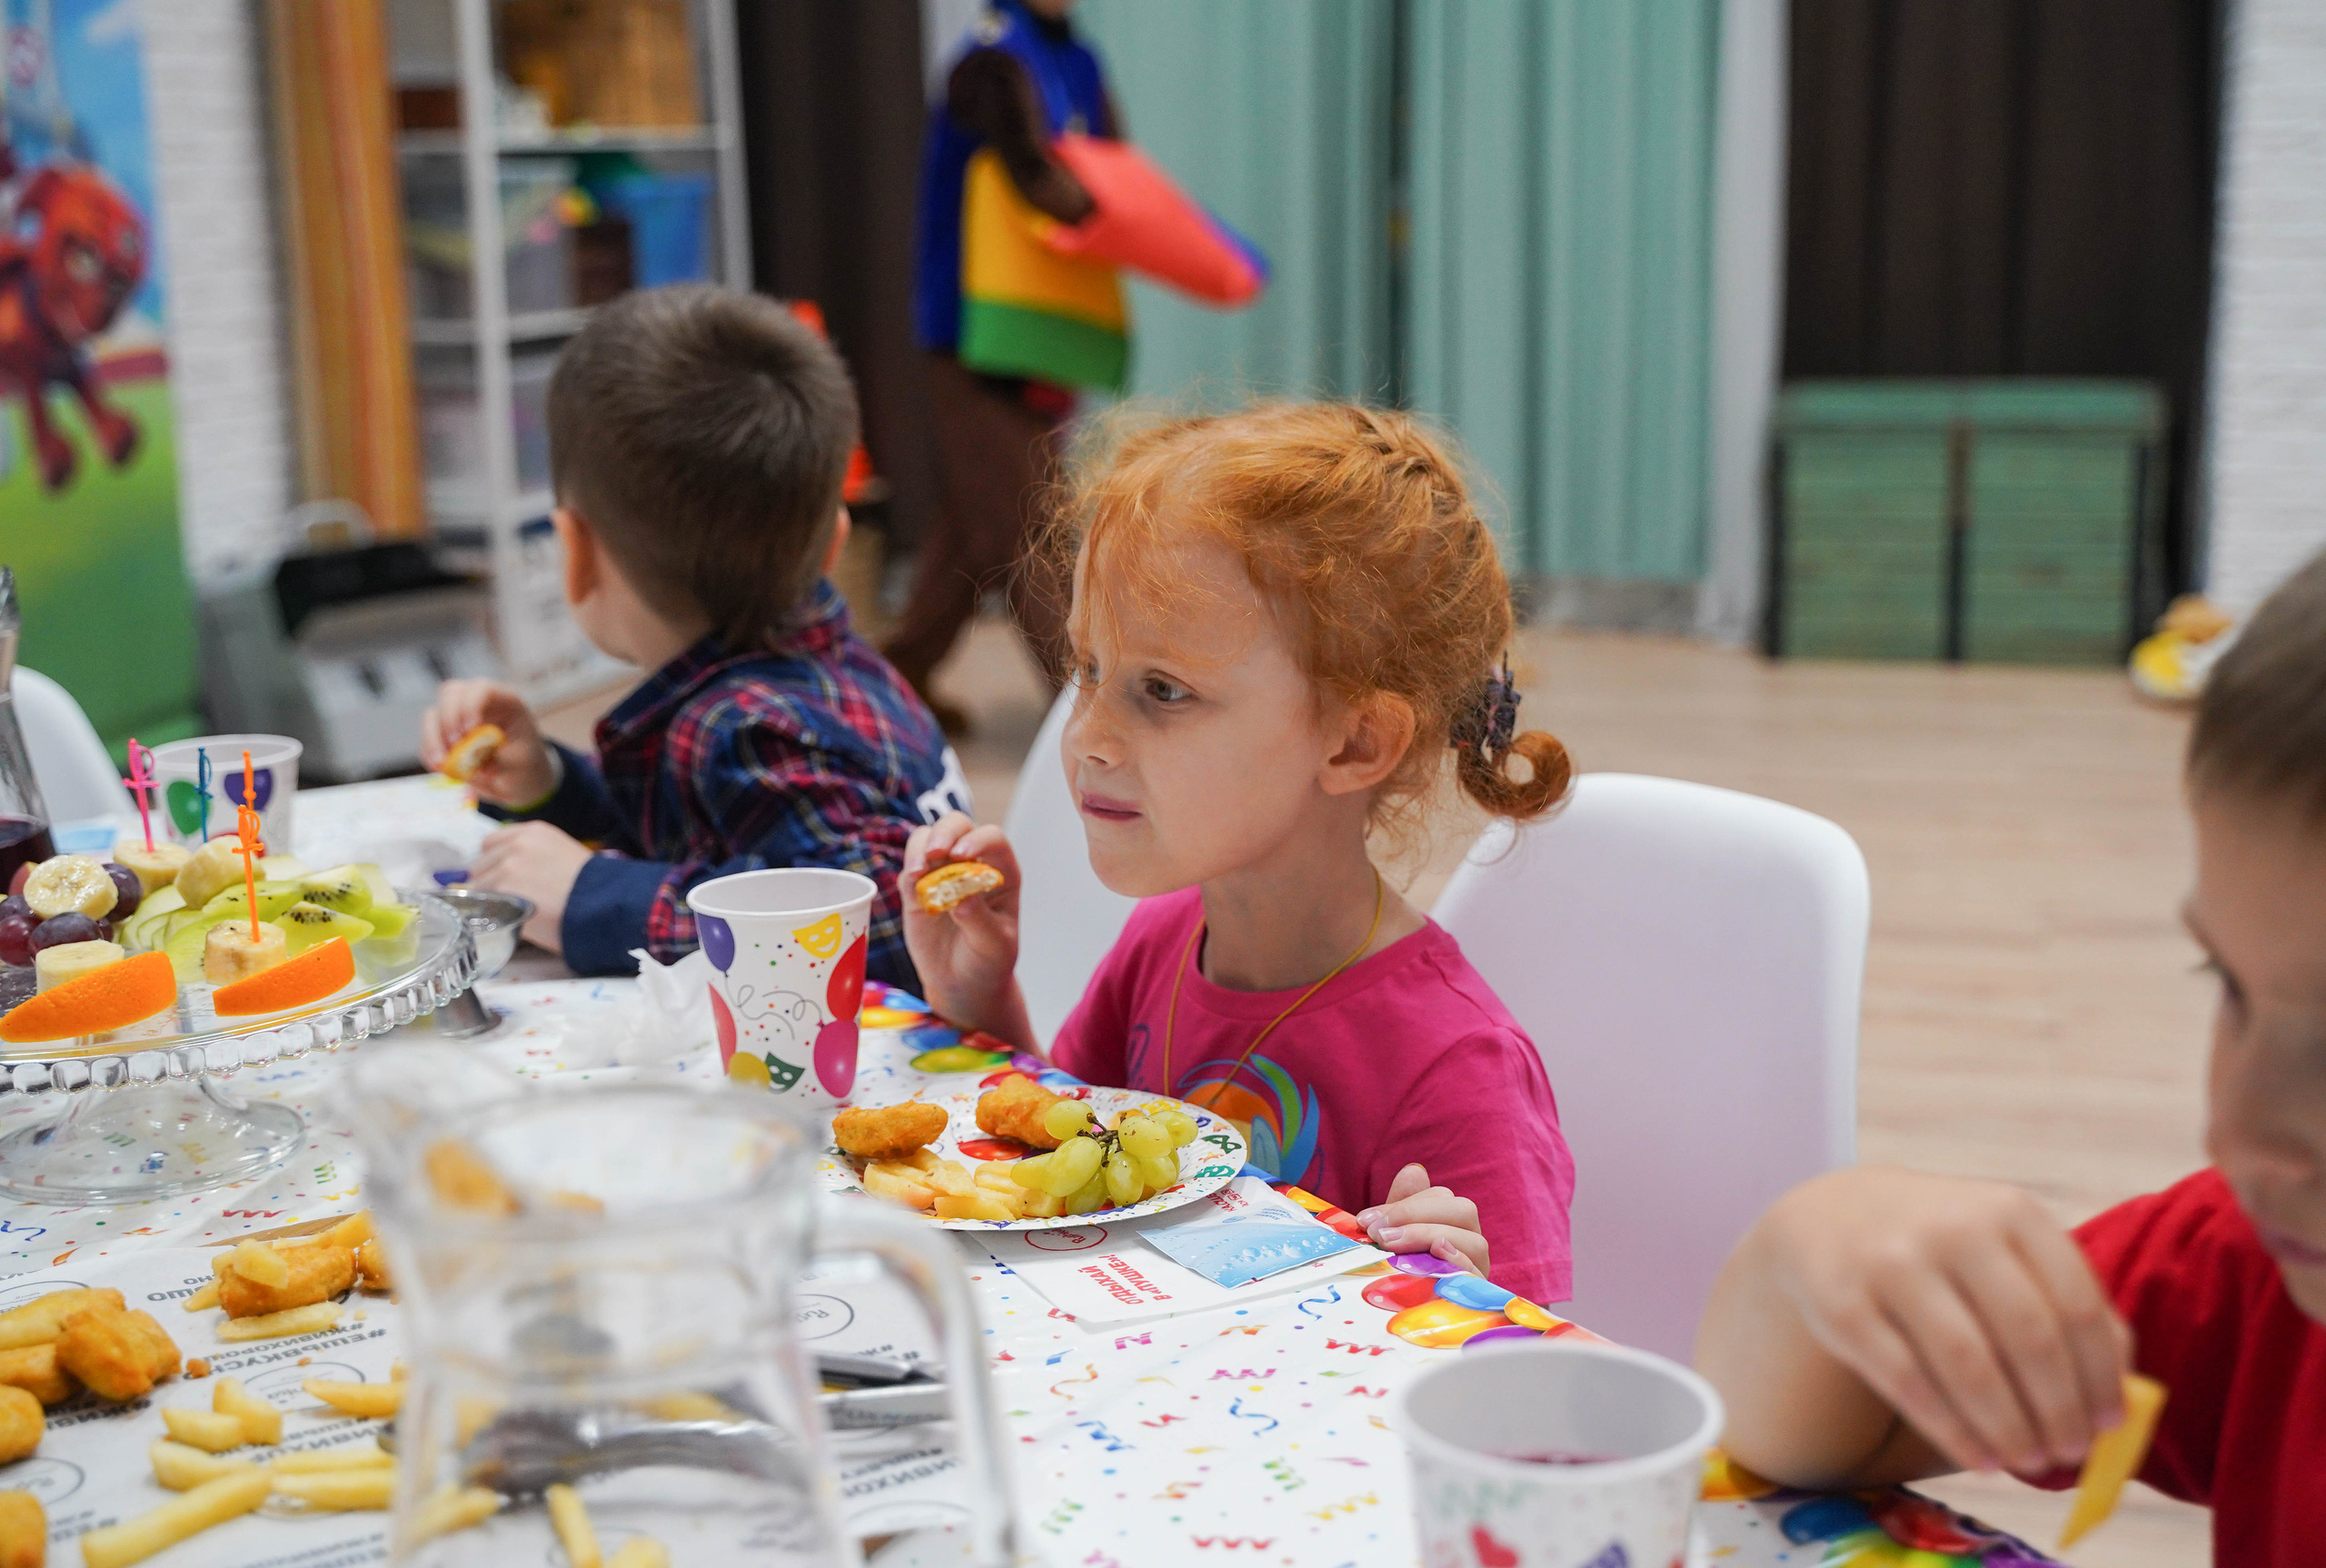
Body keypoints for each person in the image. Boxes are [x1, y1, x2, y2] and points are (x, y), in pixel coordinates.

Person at [1694, 548, 2326, 1566]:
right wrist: (1807, 1255)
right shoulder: (2250, 1270)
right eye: (2230, 986)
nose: (2238, 1132)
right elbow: (1790, 1434)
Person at [901, 402, 1576, 1305]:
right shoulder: (1162, 941)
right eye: (1088, 669)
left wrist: (1458, 1300)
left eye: (1163, 691)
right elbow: (1070, 1165)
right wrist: (980, 1000)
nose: (1088, 734)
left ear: (1354, 743)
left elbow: (1527, 1371)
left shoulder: (1455, 1068)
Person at [419, 285, 963, 987]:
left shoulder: (751, 728)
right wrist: (549, 782)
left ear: (575, 553)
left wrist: (597, 899)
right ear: (833, 543)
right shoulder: (816, 671)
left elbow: (881, 918)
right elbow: (712, 826)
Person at [891, 0, 1118, 733]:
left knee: (975, 520)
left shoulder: (1076, 58)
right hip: (974, 332)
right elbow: (1041, 179)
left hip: (1042, 330)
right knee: (1030, 522)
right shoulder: (989, 63)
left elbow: (1113, 166)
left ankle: (897, 681)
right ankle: (1092, 715)